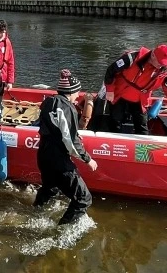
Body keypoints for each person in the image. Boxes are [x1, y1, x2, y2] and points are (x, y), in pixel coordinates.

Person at [33, 69, 98, 225]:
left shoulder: (48, 102)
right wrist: (87, 159)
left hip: (44, 155)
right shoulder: (67, 108)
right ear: (71, 92)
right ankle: (62, 229)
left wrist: (72, 134)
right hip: (58, 160)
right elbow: (70, 142)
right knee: (84, 198)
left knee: (50, 188)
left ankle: (35, 212)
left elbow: (53, 127)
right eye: (77, 92)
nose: (78, 96)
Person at [102, 44, 167, 135]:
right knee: (115, 121)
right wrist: (109, 90)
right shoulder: (131, 58)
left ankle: (143, 142)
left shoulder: (165, 71)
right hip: (120, 94)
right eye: (160, 62)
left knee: (142, 126)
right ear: (153, 55)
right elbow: (111, 71)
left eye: (165, 63)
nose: (161, 65)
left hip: (140, 99)